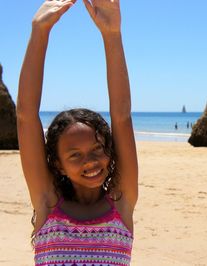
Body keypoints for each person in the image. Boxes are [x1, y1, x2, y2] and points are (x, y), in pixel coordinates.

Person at [17, 0, 138, 265]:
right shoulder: (47, 203)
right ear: (58, 165)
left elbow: (121, 117)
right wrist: (40, 31)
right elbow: (26, 116)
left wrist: (112, 35)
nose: (91, 161)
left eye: (97, 149)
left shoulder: (121, 202)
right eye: (75, 155)